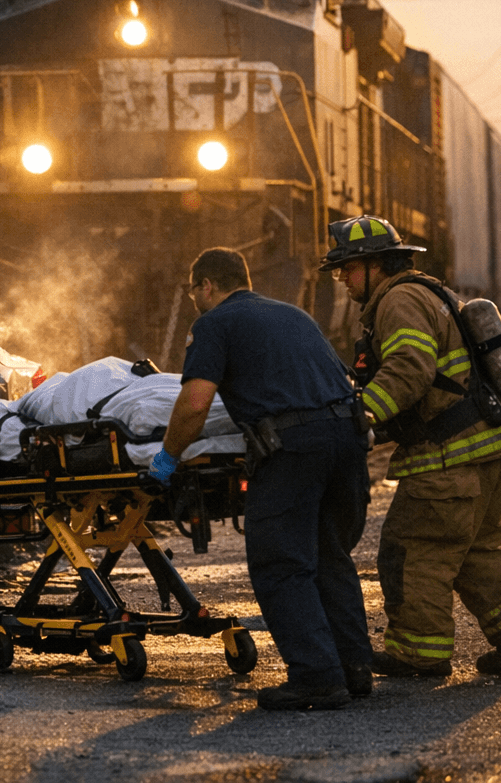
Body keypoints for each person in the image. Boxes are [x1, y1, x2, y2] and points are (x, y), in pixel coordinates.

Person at [321, 215, 501, 677]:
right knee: (475, 549)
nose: (342, 279)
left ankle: (418, 653)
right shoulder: (430, 292)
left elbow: (411, 367)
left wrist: (362, 415)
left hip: (451, 458)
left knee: (413, 549)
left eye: (347, 268)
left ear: (376, 265)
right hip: (490, 448)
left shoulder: (399, 300)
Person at [150, 247, 372, 711]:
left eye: (194, 290)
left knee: (280, 561)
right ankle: (354, 669)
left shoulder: (214, 324)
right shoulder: (294, 315)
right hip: (347, 438)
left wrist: (166, 461)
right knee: (329, 554)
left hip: (295, 449)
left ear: (207, 285)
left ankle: (315, 676)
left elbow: (194, 404)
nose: (194, 298)